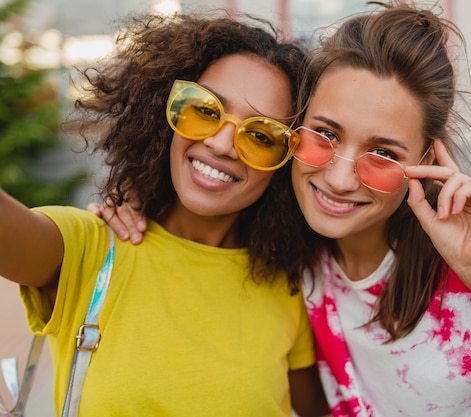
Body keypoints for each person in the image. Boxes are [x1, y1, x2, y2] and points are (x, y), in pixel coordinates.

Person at [93, 2, 471, 416]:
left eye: (383, 154)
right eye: (324, 135)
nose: (339, 177)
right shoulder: (288, 231)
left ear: (425, 159)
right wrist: (142, 190)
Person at [0, 11, 330, 417]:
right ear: (165, 111)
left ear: (286, 163)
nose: (223, 145)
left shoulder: (289, 284)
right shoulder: (89, 248)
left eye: (262, 135)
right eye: (205, 110)